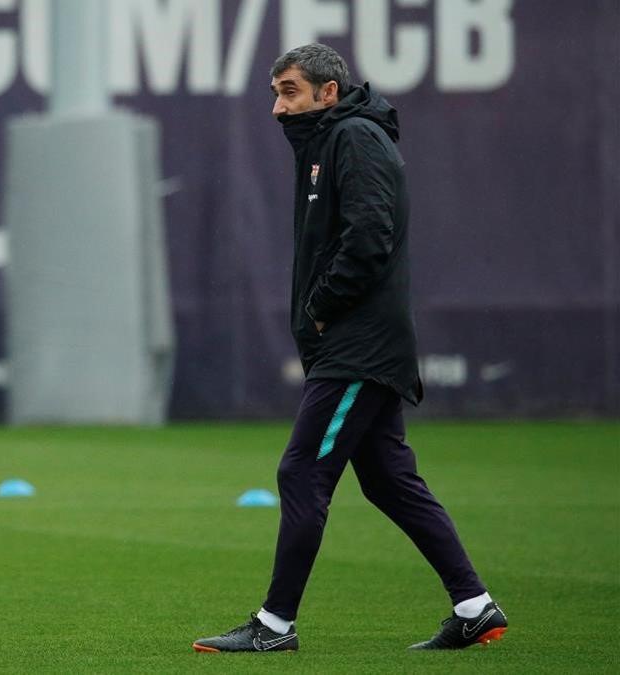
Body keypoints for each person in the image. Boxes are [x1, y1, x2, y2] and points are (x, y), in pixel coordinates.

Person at [192, 44, 507, 653]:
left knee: (302, 470)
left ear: (327, 93)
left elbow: (369, 236)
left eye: (288, 91)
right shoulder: (330, 142)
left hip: (358, 348)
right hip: (353, 344)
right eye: (275, 92)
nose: (277, 107)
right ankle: (474, 607)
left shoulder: (354, 139)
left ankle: (274, 626)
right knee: (389, 481)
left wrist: (320, 310)